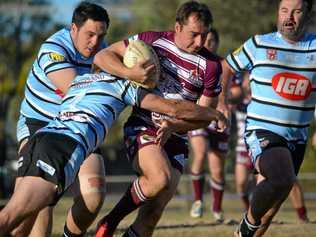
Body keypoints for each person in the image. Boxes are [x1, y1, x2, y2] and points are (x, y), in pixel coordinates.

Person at [0, 69, 227, 236]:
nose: (152, 75)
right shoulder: (123, 86)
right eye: (149, 68)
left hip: (42, 139)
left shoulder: (81, 80)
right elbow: (173, 108)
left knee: (20, 227)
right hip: (62, 147)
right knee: (11, 216)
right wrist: (212, 113)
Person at [93, 1, 222, 236]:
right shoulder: (152, 41)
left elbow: (204, 117)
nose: (200, 42)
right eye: (194, 34)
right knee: (159, 178)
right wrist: (129, 73)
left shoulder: (211, 66)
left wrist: (174, 126)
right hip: (144, 125)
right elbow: (102, 56)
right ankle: (109, 223)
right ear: (178, 27)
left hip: (177, 136)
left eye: (205, 36)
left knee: (152, 214)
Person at [218, 0, 315, 236]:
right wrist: (221, 100)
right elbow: (227, 67)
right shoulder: (259, 44)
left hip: (298, 137)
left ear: (308, 13)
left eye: (296, 11)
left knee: (271, 209)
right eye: (284, 10)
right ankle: (247, 224)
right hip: (262, 131)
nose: (289, 17)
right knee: (282, 178)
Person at [13, 2, 110, 236]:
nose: (95, 42)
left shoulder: (103, 52)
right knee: (39, 202)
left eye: (101, 36)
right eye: (89, 34)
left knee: (93, 197)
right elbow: (74, 89)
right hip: (39, 124)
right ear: (73, 29)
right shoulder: (54, 48)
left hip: (77, 126)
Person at [189, 28, 228, 223]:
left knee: (217, 169)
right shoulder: (194, 61)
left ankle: (217, 209)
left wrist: (224, 103)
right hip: (199, 113)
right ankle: (197, 200)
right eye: (206, 40)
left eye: (212, 40)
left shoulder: (224, 64)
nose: (208, 44)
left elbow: (229, 91)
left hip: (218, 117)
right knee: (200, 151)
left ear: (217, 43)